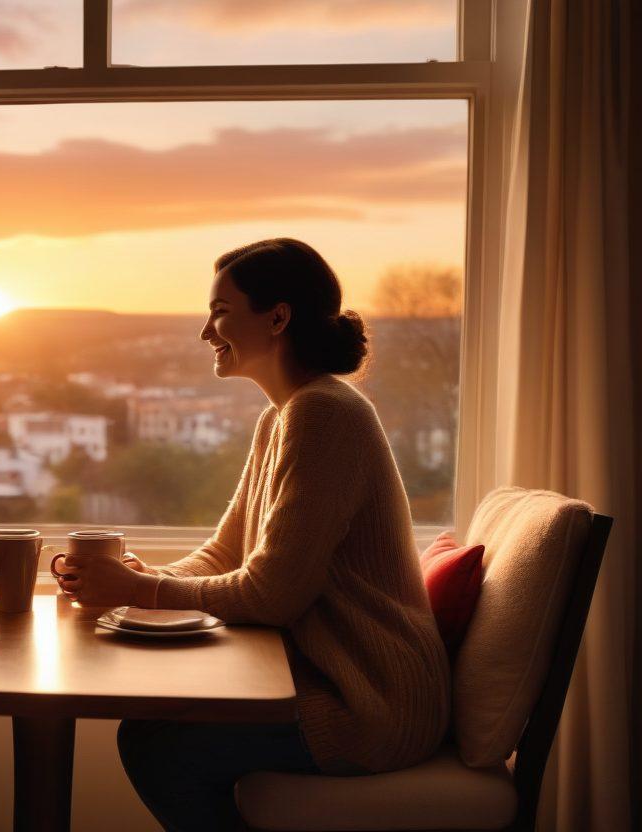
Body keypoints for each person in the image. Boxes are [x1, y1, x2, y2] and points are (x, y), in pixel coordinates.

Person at [56, 239, 450, 831]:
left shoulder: (325, 415)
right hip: (335, 682)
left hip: (371, 703)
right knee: (150, 734)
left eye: (219, 312)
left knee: (159, 748)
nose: (205, 332)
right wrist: (143, 579)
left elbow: (272, 596)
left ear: (278, 317)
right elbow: (225, 552)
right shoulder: (283, 416)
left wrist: (139, 591)